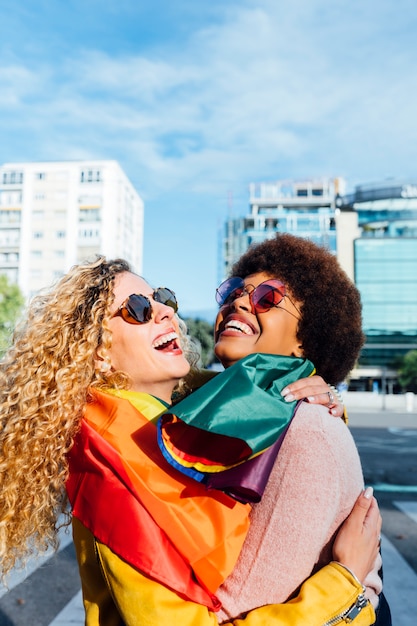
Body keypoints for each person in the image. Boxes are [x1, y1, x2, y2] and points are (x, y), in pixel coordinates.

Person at [0, 256, 380, 626]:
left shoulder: (171, 416)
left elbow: (244, 394)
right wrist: (344, 587)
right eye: (136, 309)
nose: (165, 312)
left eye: (163, 299)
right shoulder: (113, 471)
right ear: (99, 354)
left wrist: (315, 396)